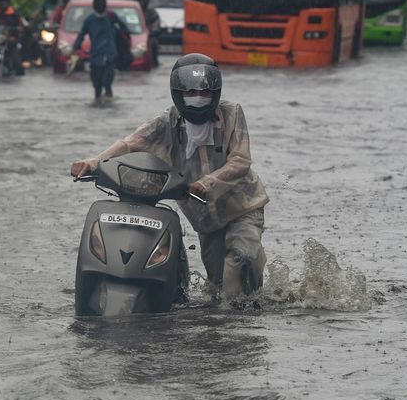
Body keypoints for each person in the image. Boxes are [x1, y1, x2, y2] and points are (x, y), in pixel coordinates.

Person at [69, 54, 269, 301]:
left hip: (243, 208)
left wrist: (207, 184)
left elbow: (240, 160)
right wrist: (93, 162)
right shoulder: (166, 122)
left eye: (205, 92)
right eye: (190, 92)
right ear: (178, 93)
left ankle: (251, 317)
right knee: (219, 289)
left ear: (215, 92)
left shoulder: (232, 113)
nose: (198, 98)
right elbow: (131, 143)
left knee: (243, 259)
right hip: (205, 218)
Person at [71, 0, 129, 105]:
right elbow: (81, 35)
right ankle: (98, 103)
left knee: (107, 84)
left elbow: (125, 29)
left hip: (110, 57)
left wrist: (118, 34)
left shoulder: (112, 17)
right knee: (97, 86)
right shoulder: (89, 21)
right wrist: (75, 48)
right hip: (95, 58)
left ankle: (108, 103)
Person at [132, 0, 160, 66]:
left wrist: (149, 33)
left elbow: (156, 25)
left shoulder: (152, 12)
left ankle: (154, 62)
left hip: (148, 36)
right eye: (138, 1)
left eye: (142, 1)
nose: (141, 3)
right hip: (134, 35)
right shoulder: (132, 11)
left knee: (153, 43)